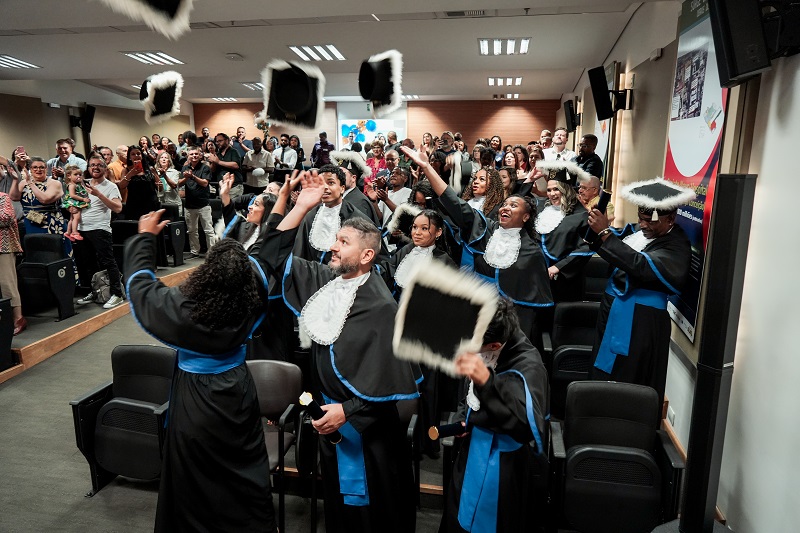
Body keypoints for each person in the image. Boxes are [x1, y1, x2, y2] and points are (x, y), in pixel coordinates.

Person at [257, 171, 419, 533]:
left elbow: (389, 381)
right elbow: (273, 255)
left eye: (342, 242)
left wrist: (347, 411)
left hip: (367, 430)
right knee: (339, 510)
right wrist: (299, 206)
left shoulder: (381, 307)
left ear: (366, 255)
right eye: (335, 239)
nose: (333, 246)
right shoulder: (328, 281)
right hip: (329, 421)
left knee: (370, 514)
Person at [125, 210, 276, 533]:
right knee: (243, 463)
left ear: (206, 272)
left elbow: (141, 287)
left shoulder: (183, 310)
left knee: (194, 473)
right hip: (238, 390)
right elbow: (262, 261)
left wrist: (145, 239)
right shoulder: (252, 299)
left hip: (194, 397)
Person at [402, 147, 553, 353]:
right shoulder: (485, 230)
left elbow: (531, 309)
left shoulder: (532, 252)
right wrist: (427, 168)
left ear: (526, 217)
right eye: (505, 204)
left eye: (513, 206)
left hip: (507, 326)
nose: (505, 207)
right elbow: (454, 202)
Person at [440, 298, 548, 533]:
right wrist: (465, 415)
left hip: (502, 464)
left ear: (495, 345)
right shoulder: (489, 335)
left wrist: (488, 383)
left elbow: (527, 426)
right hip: (471, 448)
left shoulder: (529, 366)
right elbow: (469, 392)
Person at [586, 178, 695, 409]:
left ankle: (622, 420)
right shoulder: (643, 233)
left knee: (629, 377)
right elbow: (614, 248)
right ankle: (597, 414)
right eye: (640, 218)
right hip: (616, 311)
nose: (643, 225)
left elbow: (639, 265)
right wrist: (595, 224)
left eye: (650, 221)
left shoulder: (676, 245)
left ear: (670, 219)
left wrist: (604, 232)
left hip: (641, 322)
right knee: (604, 370)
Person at [74, 157, 125, 309]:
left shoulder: (110, 186)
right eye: (92, 165)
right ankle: (95, 291)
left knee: (108, 262)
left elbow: (118, 208)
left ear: (105, 168)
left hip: (100, 229)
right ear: (88, 168)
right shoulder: (83, 184)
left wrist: (99, 195)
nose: (95, 167)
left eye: (99, 165)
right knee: (89, 263)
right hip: (82, 229)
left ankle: (117, 294)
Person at [537, 178, 593, 302]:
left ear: (566, 190)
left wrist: (559, 267)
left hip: (565, 277)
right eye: (549, 190)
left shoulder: (581, 215)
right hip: (540, 275)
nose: (552, 194)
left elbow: (586, 247)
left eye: (556, 189)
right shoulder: (542, 210)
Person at [0, 189, 25, 335]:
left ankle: (18, 318)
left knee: (7, 283)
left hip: (3, 247)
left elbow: (6, 218)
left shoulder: (3, 197)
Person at [118, 145, 161, 221]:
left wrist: (159, 185)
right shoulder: (126, 170)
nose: (136, 156)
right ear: (129, 157)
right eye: (133, 154)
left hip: (151, 204)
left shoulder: (150, 169)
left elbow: (160, 188)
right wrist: (131, 174)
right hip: (134, 205)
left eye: (138, 153)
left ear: (142, 155)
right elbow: (121, 186)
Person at [61, 165, 90, 241]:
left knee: (72, 218)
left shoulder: (78, 184)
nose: (78, 176)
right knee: (77, 218)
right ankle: (74, 232)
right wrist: (83, 199)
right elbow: (72, 195)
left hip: (75, 203)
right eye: (76, 174)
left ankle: (68, 232)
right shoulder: (72, 185)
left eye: (80, 174)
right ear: (69, 176)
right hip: (73, 203)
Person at [154, 152, 183, 219]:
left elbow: (174, 186)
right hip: (161, 204)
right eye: (162, 158)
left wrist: (164, 175)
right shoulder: (155, 173)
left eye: (166, 158)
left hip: (174, 204)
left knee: (175, 224)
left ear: (169, 161)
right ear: (158, 161)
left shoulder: (174, 172)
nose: (164, 159)